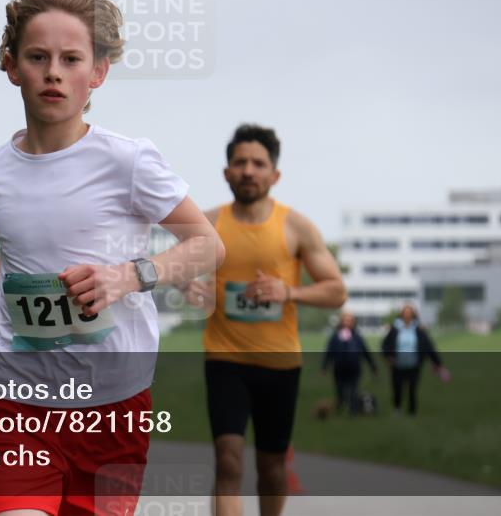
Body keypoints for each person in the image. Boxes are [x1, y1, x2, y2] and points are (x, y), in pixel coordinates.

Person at [0, 0, 224, 516]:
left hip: (112, 404)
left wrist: (128, 276)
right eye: (37, 57)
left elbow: (208, 245)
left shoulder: (129, 162)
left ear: (97, 72)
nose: (54, 73)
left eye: (71, 60)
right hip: (14, 398)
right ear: (11, 67)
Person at [183, 123, 346, 516]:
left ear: (275, 174)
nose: (248, 171)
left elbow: (336, 290)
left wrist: (288, 291)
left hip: (280, 363)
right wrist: (189, 288)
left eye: (258, 163)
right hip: (225, 360)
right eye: (240, 163)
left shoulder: (296, 226)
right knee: (228, 459)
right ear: (226, 173)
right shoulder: (206, 224)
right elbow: (178, 272)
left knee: (272, 468)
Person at [381, 303, 448, 416]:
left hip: (414, 364)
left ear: (413, 315)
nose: (407, 315)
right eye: (405, 313)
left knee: (412, 388)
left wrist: (438, 363)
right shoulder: (395, 329)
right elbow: (384, 345)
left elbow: (428, 346)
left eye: (409, 313)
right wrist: (388, 356)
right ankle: (397, 409)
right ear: (401, 315)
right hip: (397, 365)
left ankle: (412, 411)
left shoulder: (419, 330)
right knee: (397, 388)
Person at [322, 312, 377, 415]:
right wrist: (325, 366)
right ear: (342, 322)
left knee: (354, 391)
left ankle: (354, 410)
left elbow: (365, 352)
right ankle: (340, 406)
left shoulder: (357, 337)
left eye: (350, 320)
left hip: (354, 368)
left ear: (354, 322)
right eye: (346, 320)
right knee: (340, 392)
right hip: (339, 369)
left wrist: (373, 367)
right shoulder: (335, 336)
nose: (348, 322)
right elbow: (329, 351)